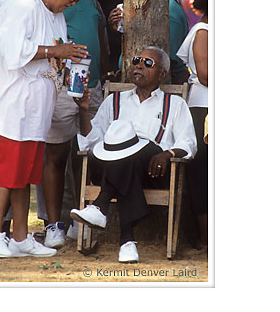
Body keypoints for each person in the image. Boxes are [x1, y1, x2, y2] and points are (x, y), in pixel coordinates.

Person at [0, 0, 91, 258]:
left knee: (24, 173)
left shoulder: (56, 14)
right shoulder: (22, 5)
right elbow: (13, 53)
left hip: (32, 109)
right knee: (7, 173)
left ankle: (21, 237)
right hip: (5, 105)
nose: (73, 3)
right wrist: (55, 52)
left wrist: (70, 70)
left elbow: (56, 52)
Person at [70, 47, 197, 263]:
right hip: (110, 165)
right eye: (137, 60)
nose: (139, 65)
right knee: (121, 150)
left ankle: (102, 210)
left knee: (140, 149)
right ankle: (126, 241)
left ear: (162, 74)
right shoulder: (114, 101)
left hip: (153, 169)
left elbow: (189, 142)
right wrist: (83, 110)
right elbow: (92, 141)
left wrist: (168, 153)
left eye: (148, 63)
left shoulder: (174, 104)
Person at [27, 0, 111, 249]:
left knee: (90, 151)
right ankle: (53, 224)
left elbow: (97, 26)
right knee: (56, 154)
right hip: (57, 82)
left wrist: (104, 66)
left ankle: (82, 220)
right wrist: (58, 55)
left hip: (90, 82)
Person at [107, 0, 189, 83]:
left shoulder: (169, 10)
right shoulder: (145, 7)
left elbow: (167, 57)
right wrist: (117, 28)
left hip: (160, 83)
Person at [177, 0, 208, 247]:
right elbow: (206, 75)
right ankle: (204, 236)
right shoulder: (203, 32)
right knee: (203, 171)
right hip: (204, 108)